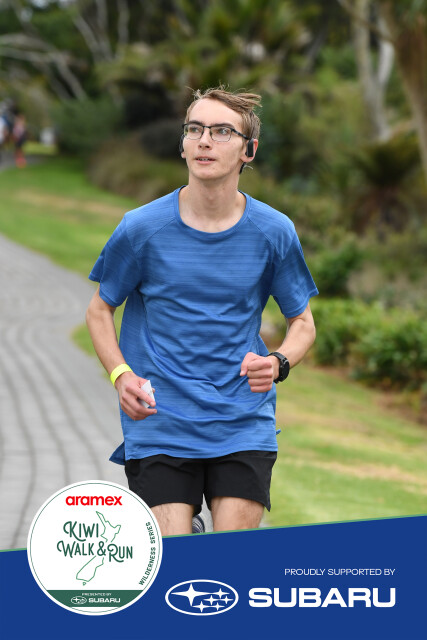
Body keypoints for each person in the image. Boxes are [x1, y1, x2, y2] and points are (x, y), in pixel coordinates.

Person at [86, 87, 318, 536]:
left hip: (242, 420)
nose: (204, 140)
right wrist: (121, 375)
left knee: (231, 563)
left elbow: (303, 322)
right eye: (195, 129)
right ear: (183, 144)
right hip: (161, 419)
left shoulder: (274, 232)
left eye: (222, 131)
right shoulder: (141, 228)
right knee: (174, 559)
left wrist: (278, 361)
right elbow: (100, 310)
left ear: (249, 150)